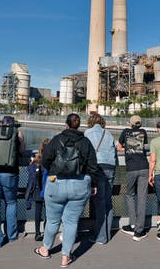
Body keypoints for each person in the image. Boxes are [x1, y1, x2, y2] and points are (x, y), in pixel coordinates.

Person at [34, 113, 99, 268]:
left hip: (56, 184)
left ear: (66, 124)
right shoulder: (85, 142)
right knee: (71, 222)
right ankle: (66, 256)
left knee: (53, 220)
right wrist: (93, 184)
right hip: (80, 185)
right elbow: (92, 166)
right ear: (79, 125)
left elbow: (45, 160)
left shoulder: (56, 140)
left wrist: (54, 171)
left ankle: (45, 249)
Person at [0, 115, 25, 249]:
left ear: (1, 123)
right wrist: (21, 139)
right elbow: (22, 151)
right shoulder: (16, 134)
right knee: (11, 203)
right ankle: (12, 235)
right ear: (13, 124)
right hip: (10, 173)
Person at [85, 113, 117, 245]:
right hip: (111, 167)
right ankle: (107, 234)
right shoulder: (108, 134)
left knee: (99, 203)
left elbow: (85, 151)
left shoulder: (88, 133)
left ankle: (101, 237)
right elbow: (114, 152)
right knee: (108, 203)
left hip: (98, 168)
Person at [116, 115, 149, 241]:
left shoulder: (125, 132)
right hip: (144, 167)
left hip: (131, 168)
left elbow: (118, 147)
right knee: (142, 198)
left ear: (130, 123)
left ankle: (133, 223)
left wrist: (127, 149)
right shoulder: (143, 132)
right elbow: (143, 147)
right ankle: (139, 231)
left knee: (130, 195)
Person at [26, 138, 50, 241]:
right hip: (49, 188)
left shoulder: (37, 160)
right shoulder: (52, 160)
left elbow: (30, 169)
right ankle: (47, 232)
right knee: (48, 213)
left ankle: (37, 232)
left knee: (38, 211)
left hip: (38, 188)